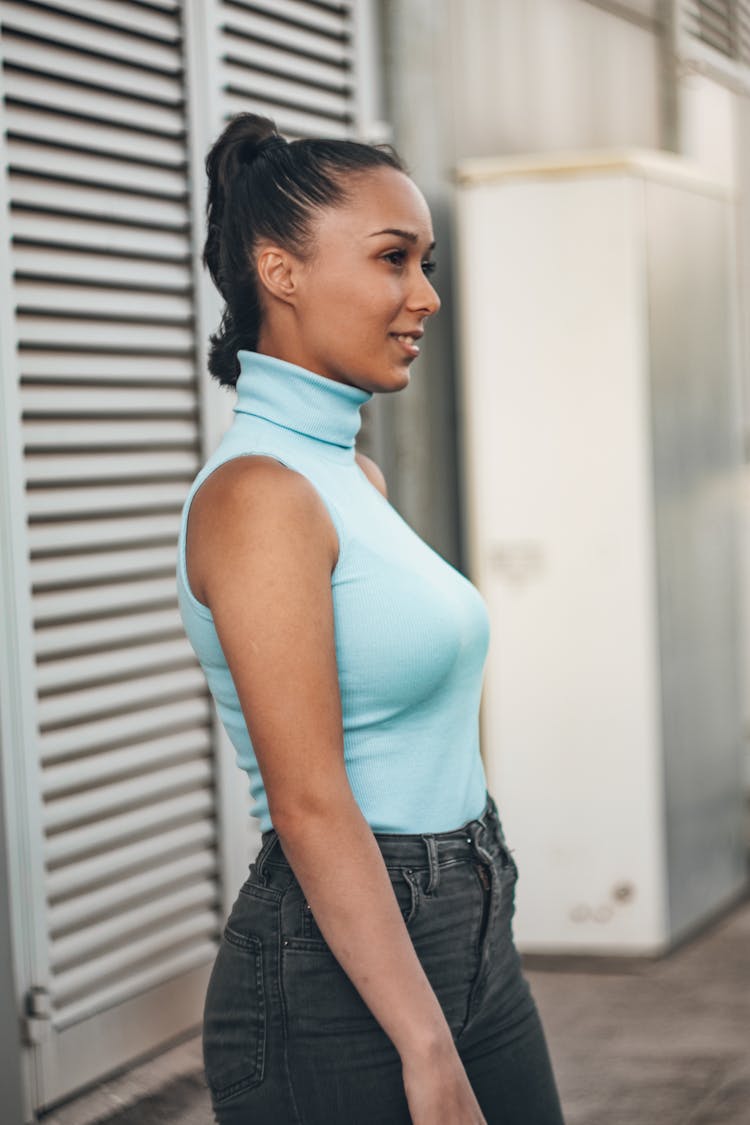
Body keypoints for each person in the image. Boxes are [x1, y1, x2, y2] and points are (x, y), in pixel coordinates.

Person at [176, 111, 565, 1125]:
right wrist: (425, 1048)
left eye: (424, 262)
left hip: (463, 920)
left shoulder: (348, 472)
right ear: (281, 271)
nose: (425, 297)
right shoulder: (260, 495)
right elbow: (307, 802)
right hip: (340, 980)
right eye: (395, 260)